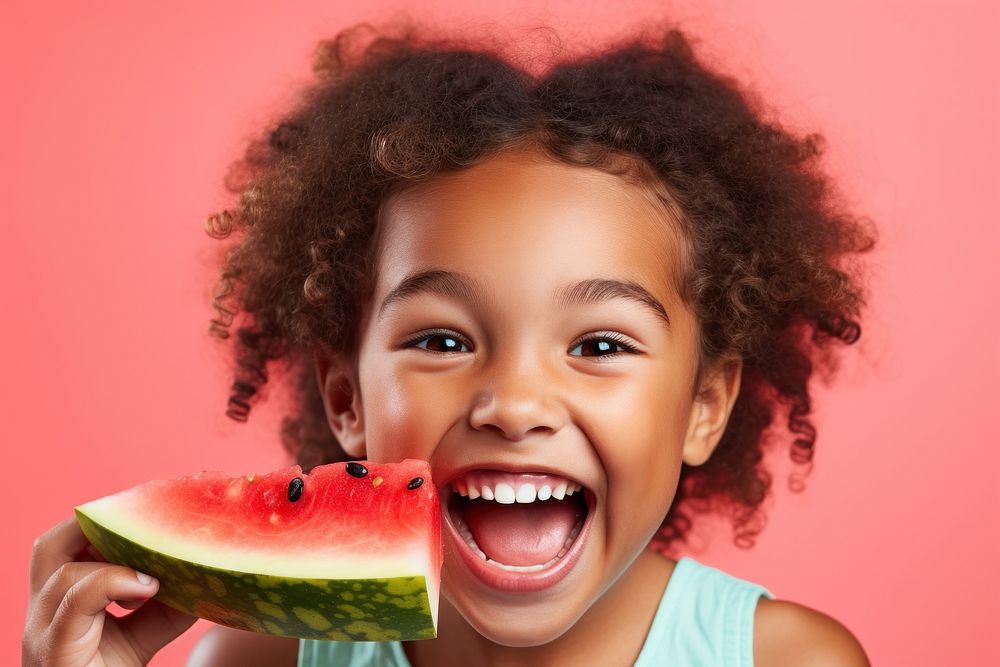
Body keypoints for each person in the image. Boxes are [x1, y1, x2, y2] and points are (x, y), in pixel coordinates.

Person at [24, 18, 877, 666]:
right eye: (440, 337)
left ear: (704, 404)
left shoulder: (786, 658)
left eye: (602, 345)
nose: (513, 402)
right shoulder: (263, 655)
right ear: (347, 399)